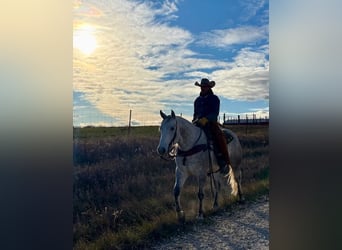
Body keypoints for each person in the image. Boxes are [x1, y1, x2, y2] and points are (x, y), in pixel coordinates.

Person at [192, 78, 230, 172]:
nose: (203, 88)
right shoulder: (197, 100)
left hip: (211, 123)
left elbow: (215, 113)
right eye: (202, 87)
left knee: (218, 136)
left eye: (205, 87)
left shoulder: (214, 99)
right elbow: (195, 113)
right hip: (198, 124)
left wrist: (206, 119)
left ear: (209, 87)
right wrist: (194, 120)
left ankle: (223, 160)